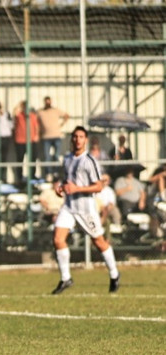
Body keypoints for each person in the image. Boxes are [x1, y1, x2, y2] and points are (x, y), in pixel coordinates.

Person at [51, 126, 119, 294]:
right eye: (75, 136)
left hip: (86, 209)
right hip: (69, 207)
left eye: (81, 137)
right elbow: (67, 181)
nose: (77, 139)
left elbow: (98, 187)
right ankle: (66, 278)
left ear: (86, 140)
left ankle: (114, 274)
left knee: (99, 242)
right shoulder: (67, 159)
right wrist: (61, 187)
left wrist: (77, 189)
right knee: (58, 239)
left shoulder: (89, 161)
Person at [12, 101, 40, 183]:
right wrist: (20, 104)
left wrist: (36, 135)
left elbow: (36, 126)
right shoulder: (19, 115)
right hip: (20, 141)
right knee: (20, 160)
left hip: (31, 141)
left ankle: (32, 175)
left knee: (32, 159)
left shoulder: (32, 115)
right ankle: (20, 177)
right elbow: (14, 111)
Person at [38, 96, 70, 165]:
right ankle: (49, 173)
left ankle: (56, 172)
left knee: (56, 156)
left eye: (49, 101)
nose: (47, 103)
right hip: (46, 137)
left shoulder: (56, 110)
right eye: (46, 101)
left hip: (56, 136)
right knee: (47, 157)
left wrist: (61, 124)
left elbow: (66, 115)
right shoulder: (40, 112)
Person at [96, 173, 121, 238]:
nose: (104, 182)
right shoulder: (95, 189)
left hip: (107, 209)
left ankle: (117, 227)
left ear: (109, 181)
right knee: (106, 221)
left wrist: (106, 210)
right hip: (97, 209)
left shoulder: (110, 191)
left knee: (114, 211)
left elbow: (111, 203)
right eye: (102, 180)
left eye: (106, 180)